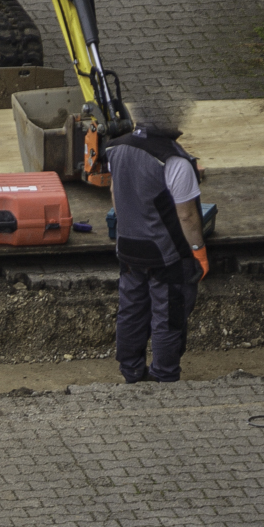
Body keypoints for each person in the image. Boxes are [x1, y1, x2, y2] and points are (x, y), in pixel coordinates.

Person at [109, 118, 210, 383]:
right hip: (167, 256)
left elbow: (115, 194)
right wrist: (199, 252)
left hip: (128, 249)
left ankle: (130, 370)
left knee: (131, 309)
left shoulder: (117, 149)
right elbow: (187, 216)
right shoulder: (175, 160)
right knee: (168, 315)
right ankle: (164, 375)